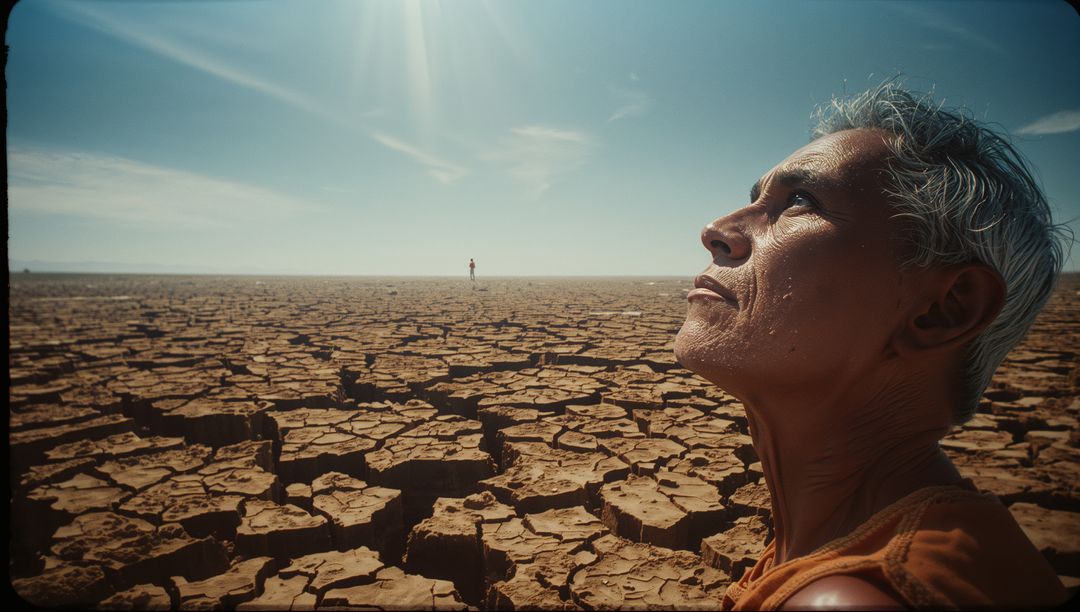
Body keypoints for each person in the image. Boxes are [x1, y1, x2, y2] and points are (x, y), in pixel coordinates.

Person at [674, 82, 1069, 610]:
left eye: (800, 202)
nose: (715, 230)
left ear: (941, 310)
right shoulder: (931, 543)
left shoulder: (853, 597)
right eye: (755, 199)